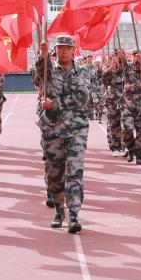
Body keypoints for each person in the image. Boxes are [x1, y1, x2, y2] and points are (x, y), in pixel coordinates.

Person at [34, 35, 91, 234]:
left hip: (76, 129)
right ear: (55, 50)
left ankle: (74, 214)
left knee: (74, 172)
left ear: (74, 50)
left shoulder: (82, 72)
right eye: (60, 48)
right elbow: (38, 75)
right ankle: (59, 210)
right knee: (54, 173)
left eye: (68, 48)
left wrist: (56, 103)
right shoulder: (48, 70)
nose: (64, 51)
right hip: (52, 128)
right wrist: (42, 56)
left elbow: (83, 96)